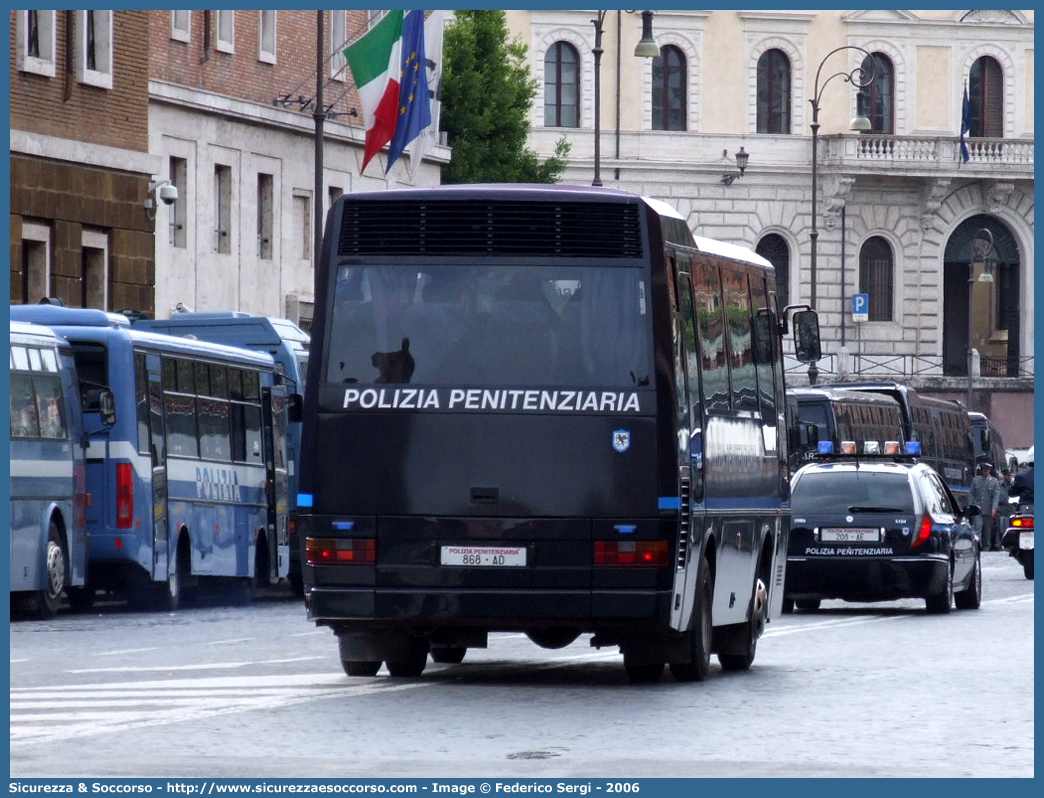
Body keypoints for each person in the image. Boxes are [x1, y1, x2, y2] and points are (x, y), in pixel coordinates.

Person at [969, 462, 1001, 549]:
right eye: (983, 471)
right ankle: (977, 547)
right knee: (978, 528)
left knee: (987, 531)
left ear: (989, 471)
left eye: (986, 471)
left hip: (988, 509)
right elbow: (971, 494)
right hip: (977, 509)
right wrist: (971, 506)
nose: (984, 472)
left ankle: (986, 548)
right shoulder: (976, 480)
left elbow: (996, 497)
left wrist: (994, 508)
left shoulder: (994, 482)